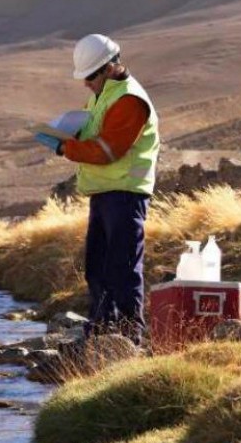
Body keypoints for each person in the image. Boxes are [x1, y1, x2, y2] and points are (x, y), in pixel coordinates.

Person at [34, 34, 160, 344]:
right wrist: (70, 135)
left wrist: (66, 147)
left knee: (122, 268)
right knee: (98, 269)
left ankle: (131, 338)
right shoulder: (102, 96)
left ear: (109, 67)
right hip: (105, 193)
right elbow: (94, 137)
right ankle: (101, 333)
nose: (86, 83)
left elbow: (107, 151)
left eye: (90, 76)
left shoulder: (129, 99)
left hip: (126, 194)